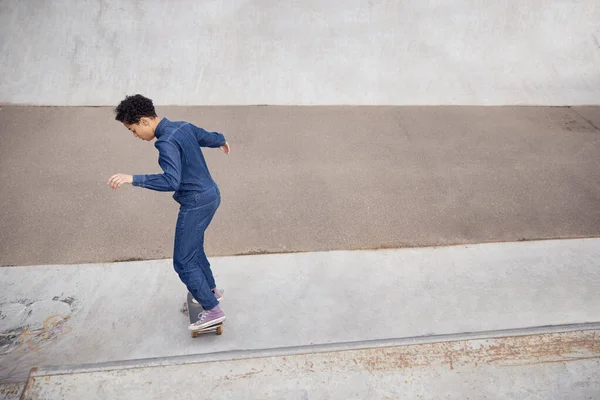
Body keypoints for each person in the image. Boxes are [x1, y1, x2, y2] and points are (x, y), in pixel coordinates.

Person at [107, 94, 230, 331]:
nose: (135, 136)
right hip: (211, 195)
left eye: (133, 130)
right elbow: (207, 136)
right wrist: (221, 141)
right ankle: (211, 290)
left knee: (183, 261)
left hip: (195, 202)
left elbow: (171, 181)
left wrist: (133, 179)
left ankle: (212, 309)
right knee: (194, 249)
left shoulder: (165, 142)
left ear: (144, 121)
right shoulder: (182, 126)